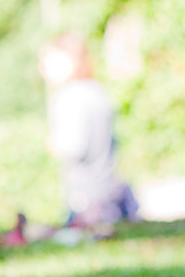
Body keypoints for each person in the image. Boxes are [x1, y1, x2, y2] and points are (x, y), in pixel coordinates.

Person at [40, 33, 139, 227]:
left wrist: (54, 144)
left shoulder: (67, 97)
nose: (43, 69)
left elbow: (74, 147)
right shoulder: (98, 92)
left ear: (69, 60)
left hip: (84, 197)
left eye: (48, 62)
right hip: (110, 192)